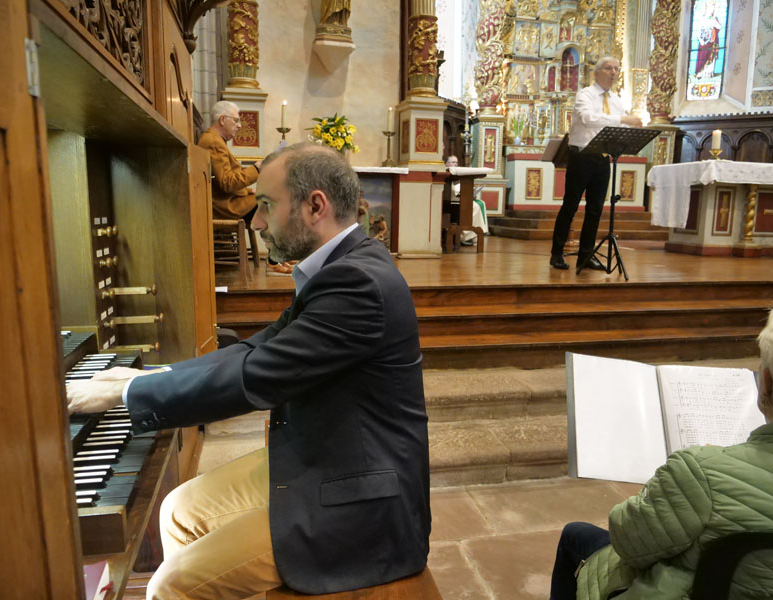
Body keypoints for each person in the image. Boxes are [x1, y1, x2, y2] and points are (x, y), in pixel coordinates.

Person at [67, 143, 431, 599]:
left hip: (362, 500)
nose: (255, 222)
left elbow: (258, 376)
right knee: (179, 511)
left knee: (170, 586)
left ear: (315, 205)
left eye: (264, 206)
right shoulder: (341, 266)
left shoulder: (357, 283)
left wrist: (125, 399)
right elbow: (257, 348)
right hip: (327, 456)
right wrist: (142, 381)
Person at [549, 306, 773, 600]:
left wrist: (666, 484)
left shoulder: (700, 473)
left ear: (767, 383)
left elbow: (628, 541)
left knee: (574, 536)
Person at [549, 57, 642, 272]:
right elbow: (588, 117)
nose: (614, 72)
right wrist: (623, 121)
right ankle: (556, 253)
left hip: (602, 158)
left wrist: (630, 129)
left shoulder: (617, 101)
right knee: (570, 206)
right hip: (581, 156)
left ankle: (586, 256)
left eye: (617, 69)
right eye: (609, 68)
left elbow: (619, 127)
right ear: (597, 72)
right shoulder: (586, 94)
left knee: (595, 210)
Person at [199, 100, 292, 274]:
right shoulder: (213, 141)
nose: (239, 125)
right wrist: (257, 168)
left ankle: (278, 255)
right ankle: (275, 258)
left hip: (227, 200)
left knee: (271, 202)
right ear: (222, 119)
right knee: (274, 206)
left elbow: (224, 181)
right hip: (224, 206)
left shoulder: (215, 140)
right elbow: (227, 183)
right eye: (236, 121)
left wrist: (250, 191)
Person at [445, 155, 489, 247]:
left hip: (460, 198)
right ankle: (465, 236)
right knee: (474, 206)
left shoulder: (459, 174)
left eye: (456, 162)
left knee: (478, 204)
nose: (455, 164)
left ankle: (472, 235)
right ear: (447, 164)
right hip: (450, 200)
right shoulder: (446, 173)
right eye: (453, 162)